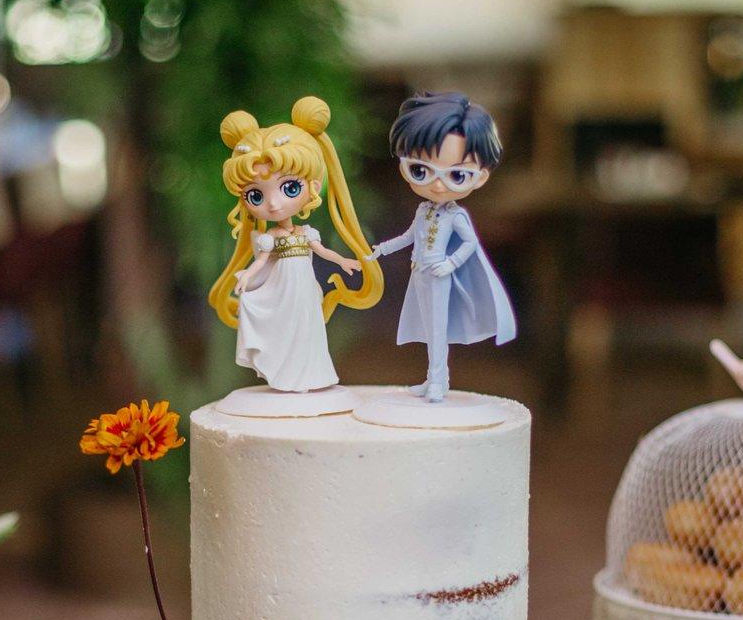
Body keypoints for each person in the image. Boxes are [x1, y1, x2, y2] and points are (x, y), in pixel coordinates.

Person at [210, 96, 382, 393]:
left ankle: (311, 376)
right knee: (285, 328)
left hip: (302, 287)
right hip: (282, 289)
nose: (274, 204)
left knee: (307, 328)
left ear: (314, 187)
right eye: (256, 195)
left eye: (289, 188)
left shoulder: (306, 232)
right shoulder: (271, 238)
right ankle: (285, 375)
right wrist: (248, 275)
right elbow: (262, 261)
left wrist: (344, 261)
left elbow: (323, 251)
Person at [373, 90, 516, 402]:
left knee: (438, 331)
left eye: (457, 175)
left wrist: (450, 264)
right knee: (427, 330)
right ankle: (432, 378)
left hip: (439, 276)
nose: (438, 184)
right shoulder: (423, 210)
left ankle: (439, 380)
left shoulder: (456, 215)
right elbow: (409, 236)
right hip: (420, 274)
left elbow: (470, 244)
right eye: (421, 170)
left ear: (479, 178)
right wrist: (382, 249)